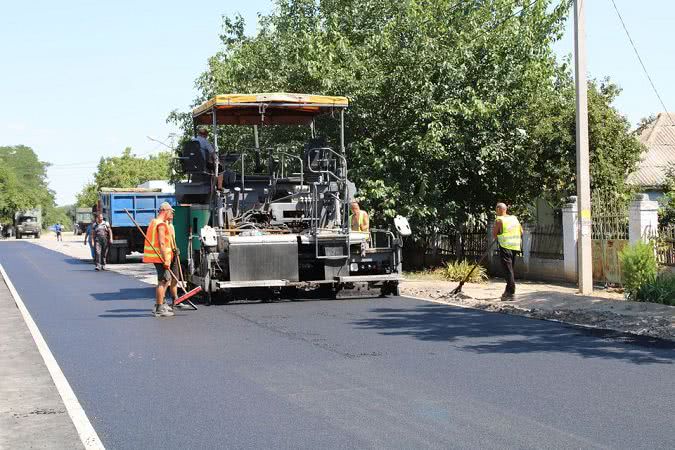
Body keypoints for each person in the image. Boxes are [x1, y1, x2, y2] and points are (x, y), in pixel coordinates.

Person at [143, 202, 178, 318]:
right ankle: (159, 308)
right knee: (163, 281)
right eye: (171, 212)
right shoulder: (161, 225)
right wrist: (166, 260)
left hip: (157, 256)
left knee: (165, 280)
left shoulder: (154, 222)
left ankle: (161, 304)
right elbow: (162, 243)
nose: (172, 214)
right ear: (165, 211)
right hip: (160, 257)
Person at [492, 202, 522, 301]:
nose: (496, 211)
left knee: (507, 270)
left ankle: (511, 293)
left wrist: (500, 236)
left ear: (499, 209)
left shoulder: (499, 220)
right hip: (515, 246)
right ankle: (507, 292)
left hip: (505, 246)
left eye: (496, 209)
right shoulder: (514, 218)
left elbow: (494, 234)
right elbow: (521, 231)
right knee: (510, 270)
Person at [194, 125, 223, 190]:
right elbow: (213, 153)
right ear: (205, 135)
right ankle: (219, 187)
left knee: (212, 167)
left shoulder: (192, 140)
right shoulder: (204, 141)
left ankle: (212, 185)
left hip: (192, 164)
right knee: (220, 168)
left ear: (198, 134)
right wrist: (218, 160)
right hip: (202, 164)